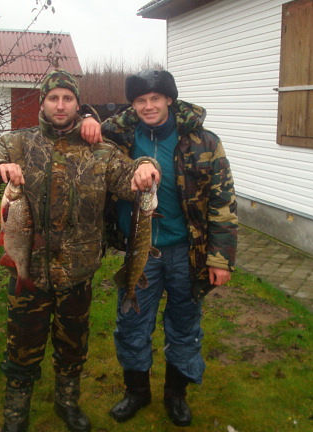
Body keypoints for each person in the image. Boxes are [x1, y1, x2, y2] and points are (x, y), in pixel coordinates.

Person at [0, 69, 160, 432]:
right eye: (54, 98)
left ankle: (67, 404)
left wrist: (147, 167)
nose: (61, 105)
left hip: (77, 275)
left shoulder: (100, 151)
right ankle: (15, 415)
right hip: (29, 271)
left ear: (78, 104)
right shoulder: (17, 144)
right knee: (21, 349)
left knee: (72, 349)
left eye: (68, 98)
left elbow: (132, 177)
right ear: (42, 103)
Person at [80, 69, 237, 427]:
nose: (148, 106)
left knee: (184, 324)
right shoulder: (116, 137)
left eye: (155, 98)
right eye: (140, 100)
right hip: (139, 252)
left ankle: (176, 395)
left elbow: (223, 201)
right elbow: (67, 126)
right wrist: (87, 117)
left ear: (169, 99)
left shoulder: (204, 142)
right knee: (131, 322)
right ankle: (136, 391)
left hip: (186, 252)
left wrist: (221, 258)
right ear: (132, 105)